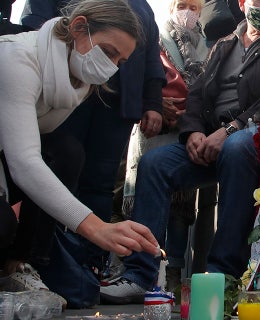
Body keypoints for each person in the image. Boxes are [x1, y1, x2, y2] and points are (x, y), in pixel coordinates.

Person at [99, 0, 260, 304]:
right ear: (242, 4)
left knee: (238, 148)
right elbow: (199, 94)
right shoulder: (224, 44)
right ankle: (139, 274)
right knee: (154, 164)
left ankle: (223, 275)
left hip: (253, 136)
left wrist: (231, 129)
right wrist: (193, 133)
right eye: (259, 0)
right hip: (210, 139)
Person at [0, 0, 158, 304]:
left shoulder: (77, 80)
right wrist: (96, 228)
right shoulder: (17, 58)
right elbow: (24, 162)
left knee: (67, 152)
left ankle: (23, 262)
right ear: (78, 27)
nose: (111, 66)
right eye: (109, 51)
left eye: (121, 62)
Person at [116, 0, 214, 294]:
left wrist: (194, 115)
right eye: (182, 5)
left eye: (194, 7)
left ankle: (172, 272)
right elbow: (146, 73)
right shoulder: (155, 37)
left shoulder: (210, 46)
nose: (188, 12)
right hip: (158, 124)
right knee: (151, 186)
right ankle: (138, 270)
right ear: (172, 8)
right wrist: (156, 103)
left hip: (190, 127)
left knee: (181, 208)